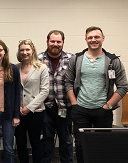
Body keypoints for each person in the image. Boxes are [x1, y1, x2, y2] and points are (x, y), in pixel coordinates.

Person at [65, 26, 128, 163]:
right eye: (90, 37)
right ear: (86, 39)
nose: (93, 40)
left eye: (97, 37)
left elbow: (123, 86)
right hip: (80, 109)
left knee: (103, 145)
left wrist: (108, 105)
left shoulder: (113, 61)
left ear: (103, 38)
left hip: (103, 110)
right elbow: (68, 82)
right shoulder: (76, 59)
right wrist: (74, 104)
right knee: (80, 145)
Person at [38, 30, 74, 163]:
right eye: (52, 41)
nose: (55, 44)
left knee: (66, 140)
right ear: (47, 42)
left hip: (65, 107)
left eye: (58, 41)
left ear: (63, 42)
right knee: (46, 140)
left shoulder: (71, 59)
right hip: (45, 107)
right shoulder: (38, 59)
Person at [15, 39, 49, 163]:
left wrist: (29, 108)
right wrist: (17, 107)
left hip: (36, 112)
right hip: (18, 112)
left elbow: (44, 91)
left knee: (35, 143)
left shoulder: (41, 67)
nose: (25, 52)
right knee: (20, 142)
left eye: (27, 49)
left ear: (33, 50)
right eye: (22, 50)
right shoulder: (15, 67)